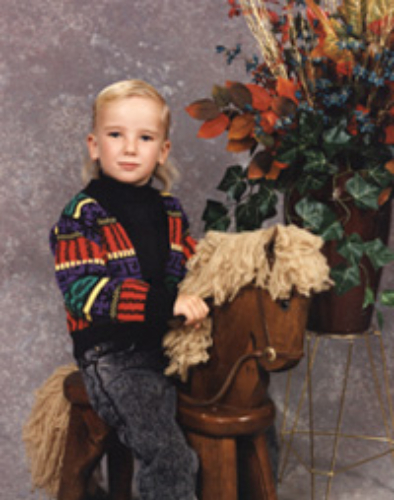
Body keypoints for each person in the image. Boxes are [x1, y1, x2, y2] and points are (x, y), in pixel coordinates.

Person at [49, 79, 209, 500]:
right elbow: (84, 291)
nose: (130, 147)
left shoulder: (171, 211)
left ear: (163, 151)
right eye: (115, 135)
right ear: (94, 145)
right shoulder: (82, 214)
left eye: (145, 137)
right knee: (169, 454)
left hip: (165, 348)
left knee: (237, 415)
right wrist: (167, 302)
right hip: (113, 358)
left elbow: (195, 269)